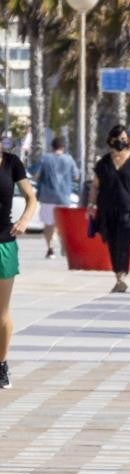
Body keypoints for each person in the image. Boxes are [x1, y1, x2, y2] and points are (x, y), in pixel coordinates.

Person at [89, 125, 130, 293]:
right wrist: (91, 204)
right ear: (111, 140)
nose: (121, 142)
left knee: (124, 241)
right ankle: (118, 276)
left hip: (128, 209)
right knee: (112, 243)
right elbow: (95, 186)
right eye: (118, 139)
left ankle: (122, 276)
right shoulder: (103, 163)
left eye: (124, 139)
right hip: (107, 209)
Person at [0, 145, 38, 389]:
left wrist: (25, 219)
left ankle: (1, 364)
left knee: (1, 311)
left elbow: (31, 198)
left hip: (4, 242)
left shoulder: (12, 162)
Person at [31, 136, 79, 258]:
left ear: (52, 147)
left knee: (48, 224)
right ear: (63, 147)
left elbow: (35, 175)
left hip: (47, 197)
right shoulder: (69, 159)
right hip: (64, 197)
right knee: (63, 223)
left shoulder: (45, 158)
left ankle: (50, 249)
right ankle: (64, 247)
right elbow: (76, 176)